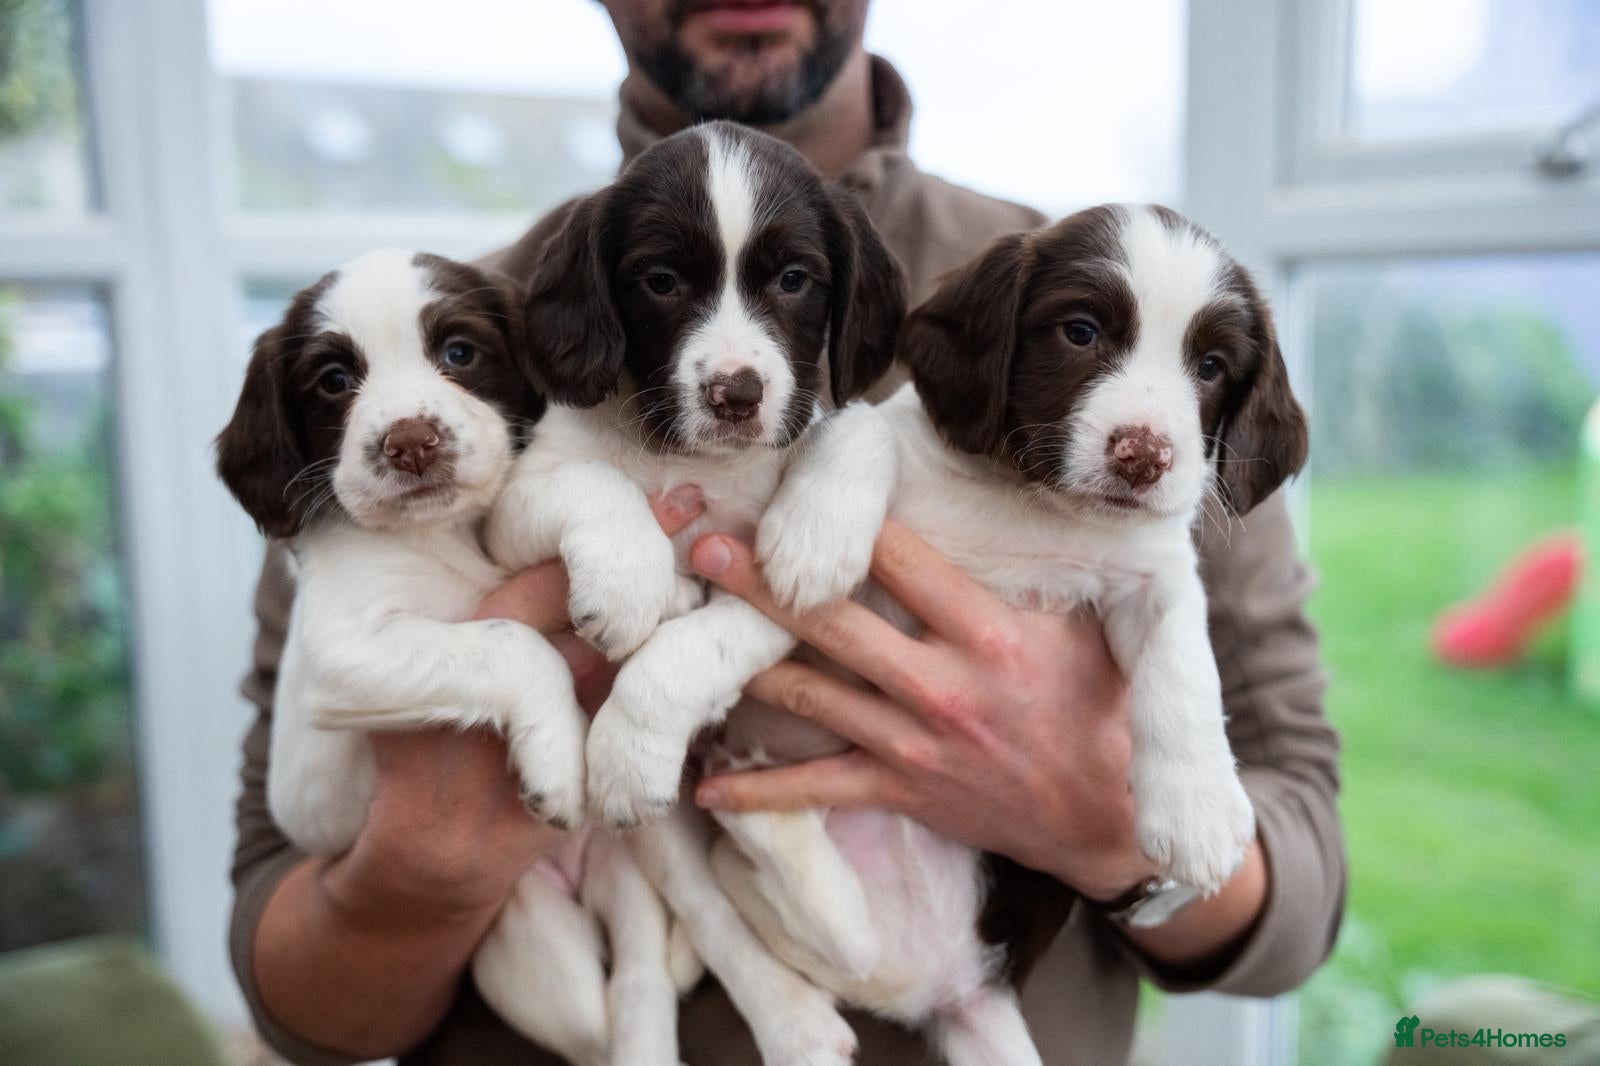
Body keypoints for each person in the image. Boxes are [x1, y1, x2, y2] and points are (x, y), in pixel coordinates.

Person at [228, 2, 1346, 1063]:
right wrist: (425, 865)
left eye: (793, 287)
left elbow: (1298, 890)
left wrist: (1103, 829)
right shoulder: (448, 342)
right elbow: (290, 971)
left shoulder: (1108, 298)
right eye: (663, 283)